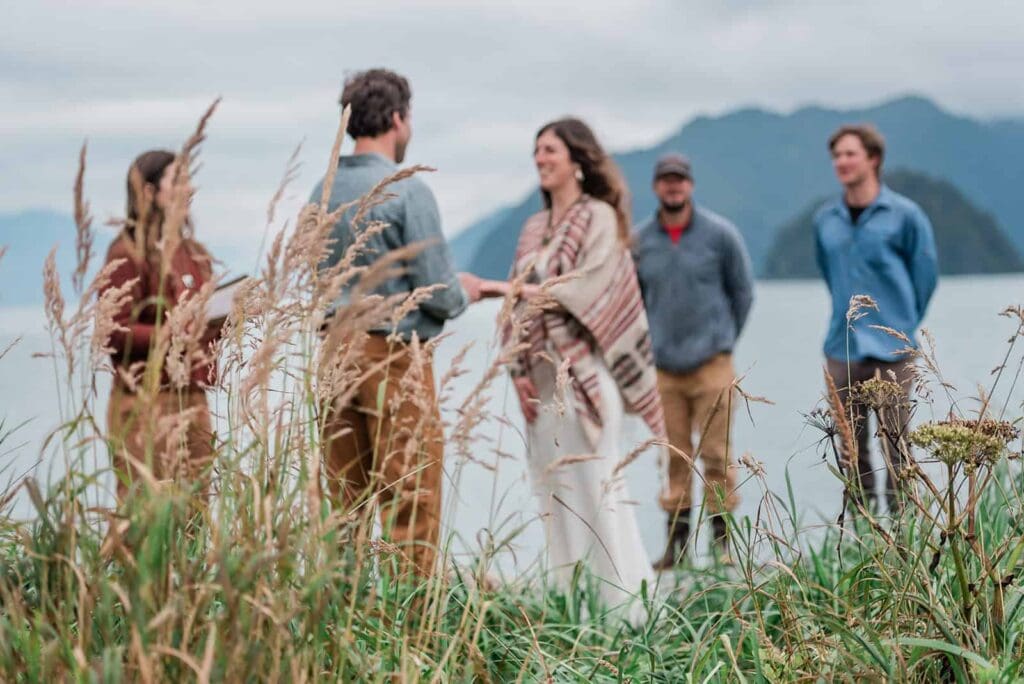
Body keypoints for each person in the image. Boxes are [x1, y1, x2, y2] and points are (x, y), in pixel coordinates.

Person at [313, 68, 499, 578]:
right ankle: (408, 635)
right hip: (393, 357)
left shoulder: (320, 190)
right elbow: (438, 291)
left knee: (343, 502)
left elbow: (315, 275)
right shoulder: (408, 191)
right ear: (398, 117)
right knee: (409, 498)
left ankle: (336, 623)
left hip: (332, 353)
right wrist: (469, 290)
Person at [505, 117, 665, 620]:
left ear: (577, 159)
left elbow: (586, 289)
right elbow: (517, 310)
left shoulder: (598, 217)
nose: (540, 159)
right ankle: (574, 614)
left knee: (598, 495)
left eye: (549, 149)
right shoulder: (533, 228)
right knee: (556, 498)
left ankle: (628, 617)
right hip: (542, 384)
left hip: (585, 379)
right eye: (536, 151)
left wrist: (501, 291)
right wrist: (517, 373)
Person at [632, 154, 754, 569]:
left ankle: (722, 545)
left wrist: (724, 340)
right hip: (663, 369)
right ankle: (676, 548)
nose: (673, 187)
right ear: (655, 188)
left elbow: (743, 293)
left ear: (691, 185)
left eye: (680, 180)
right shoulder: (640, 241)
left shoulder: (721, 235)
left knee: (717, 455)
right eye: (666, 181)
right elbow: (631, 302)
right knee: (673, 456)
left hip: (713, 365)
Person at [815, 124, 938, 512]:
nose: (842, 162)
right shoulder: (825, 220)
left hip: (894, 351)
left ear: (873, 159)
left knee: (896, 447)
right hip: (842, 347)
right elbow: (828, 272)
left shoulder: (905, 216)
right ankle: (861, 536)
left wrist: (902, 323)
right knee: (850, 451)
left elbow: (925, 275)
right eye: (836, 155)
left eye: (850, 154)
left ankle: (903, 538)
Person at [102, 149, 218, 508]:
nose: (190, 190)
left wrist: (223, 319)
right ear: (149, 192)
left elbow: (204, 329)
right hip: (144, 403)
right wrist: (170, 332)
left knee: (194, 514)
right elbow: (111, 331)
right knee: (145, 513)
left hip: (193, 399)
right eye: (179, 181)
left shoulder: (195, 253)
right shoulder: (127, 252)